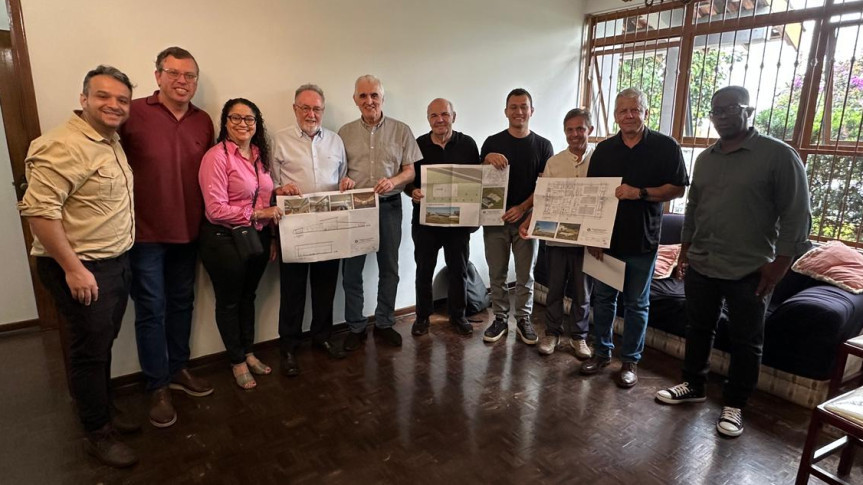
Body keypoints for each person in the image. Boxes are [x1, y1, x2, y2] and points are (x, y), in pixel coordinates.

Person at [655, 86, 811, 437]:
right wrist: (684, 252)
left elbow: (797, 215)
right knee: (698, 328)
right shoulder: (706, 159)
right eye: (716, 111)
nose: (721, 116)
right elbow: (694, 208)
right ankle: (693, 385)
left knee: (746, 340)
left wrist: (780, 265)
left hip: (751, 268)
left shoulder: (778, 155)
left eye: (730, 108)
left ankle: (735, 404)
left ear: (748, 111)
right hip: (703, 262)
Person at [18, 65, 138, 467]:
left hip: (114, 262)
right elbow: (39, 213)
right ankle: (97, 432)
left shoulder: (110, 142)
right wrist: (73, 269)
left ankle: (102, 410)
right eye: (103, 96)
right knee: (89, 351)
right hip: (82, 268)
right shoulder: (60, 145)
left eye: (122, 99)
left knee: (101, 345)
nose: (114, 105)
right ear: (84, 98)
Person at [119, 46, 214, 429]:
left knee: (181, 304)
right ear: (157, 75)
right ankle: (157, 385)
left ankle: (178, 369)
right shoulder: (132, 113)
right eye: (173, 73)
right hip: (145, 235)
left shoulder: (203, 121)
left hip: (189, 232)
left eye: (189, 75)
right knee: (150, 310)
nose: (181, 81)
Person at [581, 87, 688, 389]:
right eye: (622, 111)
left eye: (635, 110)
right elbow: (593, 195)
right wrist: (592, 236)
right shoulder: (604, 150)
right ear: (615, 116)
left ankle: (630, 361)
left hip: (643, 240)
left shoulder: (665, 146)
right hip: (605, 241)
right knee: (603, 300)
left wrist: (639, 193)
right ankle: (602, 353)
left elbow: (678, 188)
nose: (628, 115)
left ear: (645, 112)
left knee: (637, 304)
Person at [198, 98, 282, 390]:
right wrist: (258, 214)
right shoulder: (216, 157)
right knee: (230, 301)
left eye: (249, 119)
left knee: (248, 297)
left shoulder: (260, 155)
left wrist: (271, 235)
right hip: (224, 240)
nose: (243, 124)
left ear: (257, 124)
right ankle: (236, 361)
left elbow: (267, 197)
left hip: (256, 237)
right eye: (236, 117)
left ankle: (248, 352)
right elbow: (215, 210)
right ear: (225, 122)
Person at [338, 74, 421, 350]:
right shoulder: (344, 133)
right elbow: (339, 172)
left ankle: (385, 322)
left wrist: (394, 181)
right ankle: (356, 326)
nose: (369, 100)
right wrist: (344, 181)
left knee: (390, 268)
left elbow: (410, 171)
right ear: (355, 100)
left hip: (389, 207)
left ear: (382, 98)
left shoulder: (401, 130)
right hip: (356, 208)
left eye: (374, 95)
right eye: (363, 95)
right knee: (352, 272)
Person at [272, 84, 348, 376]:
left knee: (325, 287)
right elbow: (269, 184)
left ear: (323, 111)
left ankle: (322, 337)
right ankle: (288, 347)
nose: (311, 114)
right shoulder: (279, 141)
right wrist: (280, 189)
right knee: (292, 290)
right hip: (294, 229)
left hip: (328, 227)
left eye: (316, 108)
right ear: (295, 109)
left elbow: (342, 178)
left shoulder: (336, 141)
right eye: (305, 108)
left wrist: (346, 185)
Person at [518, 108, 595, 359]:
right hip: (557, 238)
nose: (575, 134)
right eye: (570, 130)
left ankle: (579, 337)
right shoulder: (554, 162)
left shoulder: (601, 160)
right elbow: (543, 199)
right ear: (564, 132)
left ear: (590, 130)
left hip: (587, 240)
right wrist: (530, 222)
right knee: (554, 289)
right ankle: (552, 333)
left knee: (583, 292)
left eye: (580, 128)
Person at [481, 88, 553, 345]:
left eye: (524, 106)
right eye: (514, 107)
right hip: (495, 221)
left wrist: (523, 209)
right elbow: (478, 179)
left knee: (525, 275)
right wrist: (486, 158)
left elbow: (544, 186)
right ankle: (500, 318)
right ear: (506, 111)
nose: (519, 111)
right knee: (497, 273)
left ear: (531, 111)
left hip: (527, 220)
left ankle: (523, 319)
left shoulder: (543, 146)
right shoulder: (492, 142)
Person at [405, 98, 480, 337]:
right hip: (425, 222)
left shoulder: (468, 144)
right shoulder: (418, 145)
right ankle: (422, 317)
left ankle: (458, 316)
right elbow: (407, 180)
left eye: (445, 114)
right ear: (428, 119)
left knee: (459, 270)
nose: (440, 120)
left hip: (458, 223)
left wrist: (476, 217)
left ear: (453, 116)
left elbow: (478, 181)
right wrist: (412, 191)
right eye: (434, 115)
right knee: (423, 271)